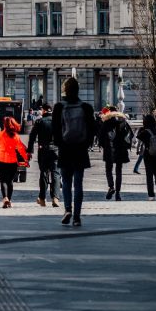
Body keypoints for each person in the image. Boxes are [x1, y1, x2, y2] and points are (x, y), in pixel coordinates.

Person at [52, 77, 96, 226]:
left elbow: (55, 131)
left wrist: (60, 144)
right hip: (80, 149)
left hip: (65, 149)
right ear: (78, 90)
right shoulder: (86, 107)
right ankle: (77, 216)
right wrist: (86, 143)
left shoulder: (59, 107)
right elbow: (92, 129)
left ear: (65, 90)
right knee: (78, 184)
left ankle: (67, 209)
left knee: (66, 182)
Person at [0, 116, 29, 209]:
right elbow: (21, 149)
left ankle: (5, 198)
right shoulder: (16, 136)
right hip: (12, 161)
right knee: (10, 181)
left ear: (4, 125)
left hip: (1, 160)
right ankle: (9, 200)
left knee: (3, 180)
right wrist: (26, 159)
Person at [27, 103, 60, 207]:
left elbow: (32, 136)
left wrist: (30, 150)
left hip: (43, 150)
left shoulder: (39, 121)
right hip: (55, 149)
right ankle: (55, 198)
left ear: (44, 111)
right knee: (55, 174)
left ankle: (42, 198)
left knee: (44, 173)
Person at [98, 105, 133, 201]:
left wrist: (103, 145)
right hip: (120, 150)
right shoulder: (123, 122)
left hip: (109, 149)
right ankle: (118, 193)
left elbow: (100, 137)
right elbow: (131, 135)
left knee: (108, 169)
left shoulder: (106, 123)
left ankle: (111, 186)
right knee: (119, 171)